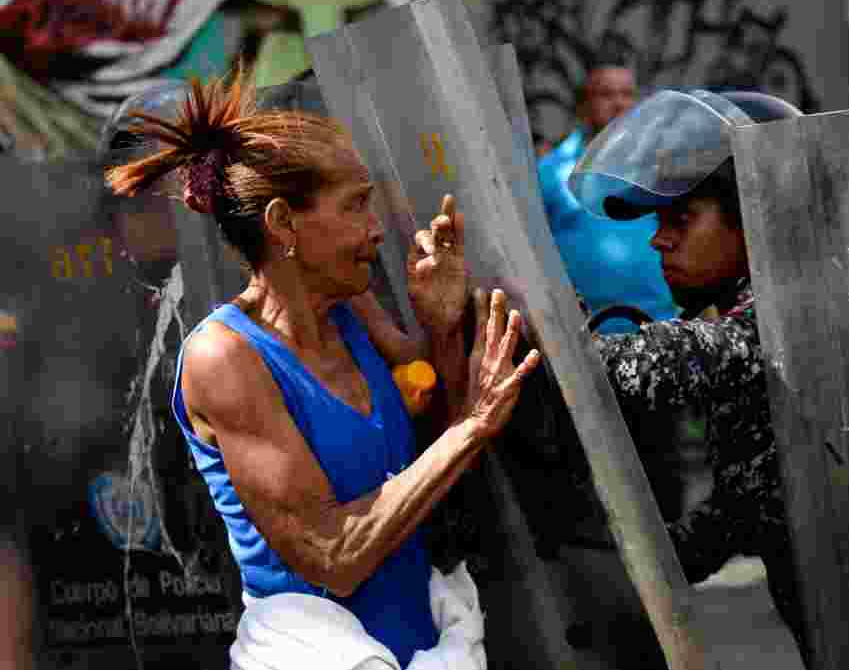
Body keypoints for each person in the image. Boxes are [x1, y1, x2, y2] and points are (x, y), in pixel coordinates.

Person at [105, 71, 541, 669]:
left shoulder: (351, 307)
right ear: (284, 223)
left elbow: (432, 451)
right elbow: (334, 555)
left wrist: (441, 328)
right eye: (356, 204)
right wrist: (475, 423)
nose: (376, 228)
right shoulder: (223, 358)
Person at [569, 88, 812, 665]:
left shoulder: (792, 317)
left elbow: (650, 366)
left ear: (754, 211)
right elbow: (741, 508)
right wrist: (624, 573)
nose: (659, 237)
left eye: (681, 217)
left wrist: (546, 333)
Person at [537, 55, 678, 333]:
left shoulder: (659, 168)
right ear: (583, 106)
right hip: (585, 337)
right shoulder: (550, 172)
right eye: (606, 94)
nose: (618, 104)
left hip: (661, 331)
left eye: (627, 94)